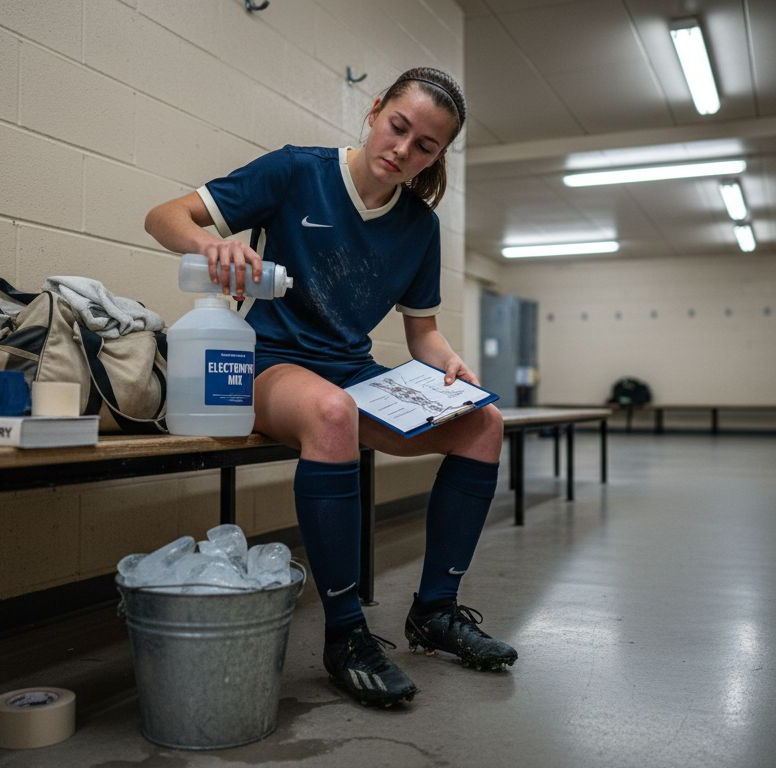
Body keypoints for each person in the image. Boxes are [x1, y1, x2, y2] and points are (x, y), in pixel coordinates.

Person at [144, 67, 515, 708]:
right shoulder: (296, 171)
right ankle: (345, 632)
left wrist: (451, 364)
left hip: (351, 373)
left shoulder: (418, 229)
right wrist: (213, 247)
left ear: (437, 155)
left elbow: (422, 333)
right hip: (269, 365)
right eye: (398, 127)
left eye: (424, 146)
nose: (403, 151)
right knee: (331, 410)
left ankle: (435, 611)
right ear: (375, 111)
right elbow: (162, 217)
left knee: (485, 424)